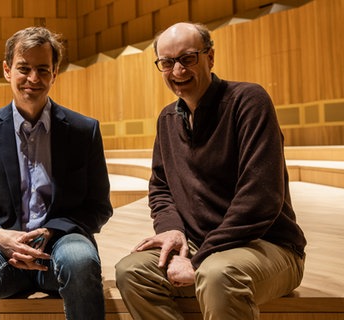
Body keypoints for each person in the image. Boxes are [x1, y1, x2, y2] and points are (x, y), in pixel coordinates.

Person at [115, 22, 306, 320]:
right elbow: (161, 188)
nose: (178, 71)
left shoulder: (248, 101)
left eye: (188, 59)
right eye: (167, 63)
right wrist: (172, 230)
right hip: (202, 246)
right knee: (131, 272)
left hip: (268, 244)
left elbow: (260, 197)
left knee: (218, 274)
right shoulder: (167, 119)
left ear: (210, 57)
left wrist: (200, 257)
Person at [0, 26, 113, 320]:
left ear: (55, 72)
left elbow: (98, 206)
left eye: (42, 69)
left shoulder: (83, 130)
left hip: (60, 242)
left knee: (80, 260)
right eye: (24, 68)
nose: (33, 79)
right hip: (0, 247)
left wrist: (51, 232)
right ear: (7, 70)